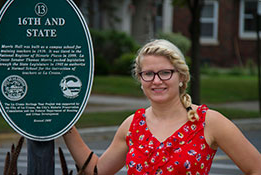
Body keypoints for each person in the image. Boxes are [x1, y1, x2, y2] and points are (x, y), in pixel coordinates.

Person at [63, 39, 261, 175]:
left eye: (165, 72)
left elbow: (256, 167)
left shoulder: (209, 122)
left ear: (182, 76)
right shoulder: (133, 125)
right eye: (148, 74)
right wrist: (64, 125)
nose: (156, 81)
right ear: (140, 80)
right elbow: (97, 171)